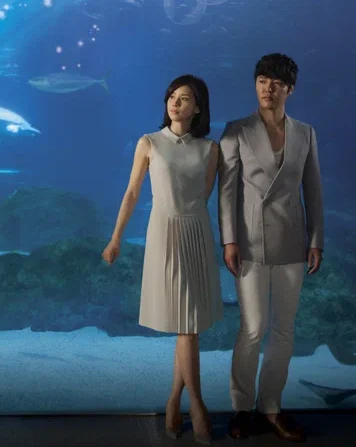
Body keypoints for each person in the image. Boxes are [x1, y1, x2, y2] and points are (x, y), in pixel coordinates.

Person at [102, 74, 223, 445]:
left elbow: (204, 196)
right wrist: (116, 237)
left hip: (196, 232)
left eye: (184, 98)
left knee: (189, 324)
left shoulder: (210, 149)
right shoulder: (149, 142)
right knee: (187, 326)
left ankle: (173, 400)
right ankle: (197, 405)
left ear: (198, 107)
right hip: (164, 232)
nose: (176, 102)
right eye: (172, 96)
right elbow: (132, 192)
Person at [217, 53, 324, 442]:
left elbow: (313, 190)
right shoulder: (236, 130)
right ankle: (241, 407)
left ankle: (272, 407)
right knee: (252, 327)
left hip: (293, 241)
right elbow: (226, 192)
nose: (268, 88)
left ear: (289, 89)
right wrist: (229, 240)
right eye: (262, 80)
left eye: (276, 82)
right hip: (249, 241)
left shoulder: (305, 133)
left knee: (283, 330)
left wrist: (316, 240)